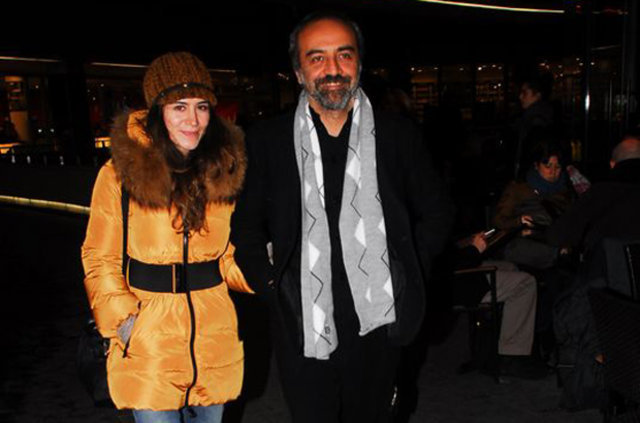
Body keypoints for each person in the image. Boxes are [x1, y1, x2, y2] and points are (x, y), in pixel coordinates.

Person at [230, 12, 453, 423]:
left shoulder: (398, 135)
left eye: (344, 55)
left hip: (379, 318)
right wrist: (272, 287)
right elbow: (245, 228)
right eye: (317, 58)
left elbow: (437, 213)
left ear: (359, 64)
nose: (332, 69)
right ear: (298, 72)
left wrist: (406, 269)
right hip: (302, 317)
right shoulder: (267, 141)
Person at [81, 52, 252, 423]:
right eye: (179, 107)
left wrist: (261, 269)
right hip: (150, 341)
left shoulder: (223, 170)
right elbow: (99, 256)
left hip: (213, 335)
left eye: (202, 107)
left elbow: (226, 257)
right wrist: (124, 323)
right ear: (158, 111)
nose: (193, 120)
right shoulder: (120, 174)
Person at [455, 233, 544, 379]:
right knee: (526, 283)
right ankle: (511, 356)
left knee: (510, 267)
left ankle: (494, 348)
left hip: (457, 269)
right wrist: (474, 249)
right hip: (455, 282)